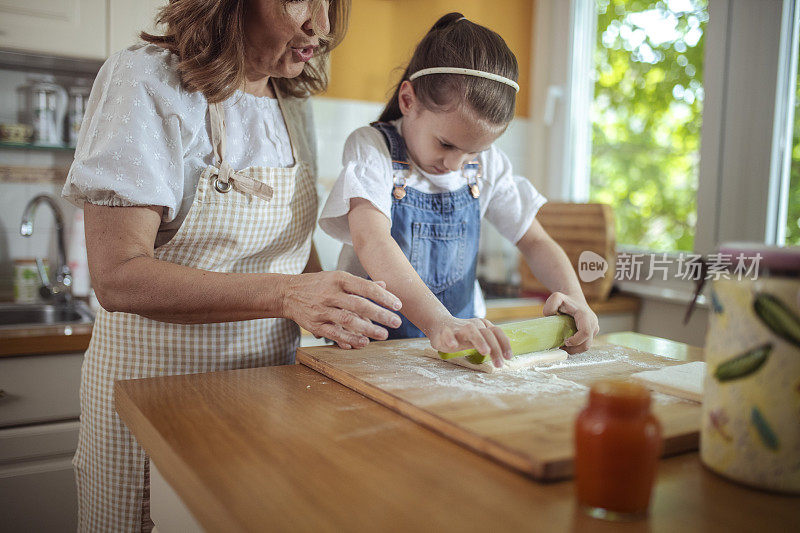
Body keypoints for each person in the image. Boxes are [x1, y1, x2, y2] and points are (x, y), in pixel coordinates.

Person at [62, 1, 402, 530]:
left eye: (331, 2)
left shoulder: (292, 98)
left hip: (263, 402)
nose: (323, 25)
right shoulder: (145, 80)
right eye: (300, 0)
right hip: (151, 403)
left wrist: (332, 310)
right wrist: (287, 295)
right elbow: (118, 277)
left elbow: (292, 251)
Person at [319, 12, 599, 369]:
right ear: (409, 101)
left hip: (457, 355)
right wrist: (438, 322)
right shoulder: (373, 149)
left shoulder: (487, 167)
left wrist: (577, 300)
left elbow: (536, 242)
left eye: (473, 152)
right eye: (446, 144)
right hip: (369, 348)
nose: (455, 163)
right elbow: (372, 240)